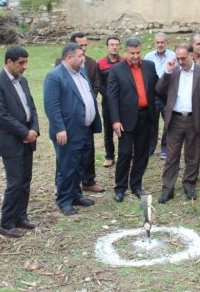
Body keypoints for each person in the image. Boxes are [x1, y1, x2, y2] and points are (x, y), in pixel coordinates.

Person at [0, 46, 40, 238]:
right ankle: (7, 223)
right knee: (15, 182)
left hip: (27, 138)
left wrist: (34, 128)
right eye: (21, 63)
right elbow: (1, 115)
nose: (24, 66)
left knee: (25, 180)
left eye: (26, 62)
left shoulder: (22, 81)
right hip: (11, 141)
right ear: (9, 62)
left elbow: (31, 107)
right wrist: (24, 132)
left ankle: (20, 216)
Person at [44, 43, 102, 216]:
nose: (83, 57)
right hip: (67, 131)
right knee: (67, 166)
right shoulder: (55, 76)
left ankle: (76, 195)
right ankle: (64, 200)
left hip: (84, 128)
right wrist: (59, 128)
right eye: (80, 55)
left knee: (80, 164)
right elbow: (51, 105)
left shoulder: (82, 72)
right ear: (69, 58)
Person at [155, 44, 200, 203]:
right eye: (178, 58)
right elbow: (159, 89)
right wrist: (167, 72)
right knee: (171, 157)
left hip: (195, 120)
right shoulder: (172, 71)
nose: (180, 61)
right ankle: (168, 189)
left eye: (183, 58)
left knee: (193, 156)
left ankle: (189, 185)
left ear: (191, 56)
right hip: (175, 120)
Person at [107, 38, 158, 202]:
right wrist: (115, 120)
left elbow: (156, 88)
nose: (135, 56)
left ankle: (136, 185)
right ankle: (120, 188)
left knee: (142, 153)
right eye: (132, 53)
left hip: (146, 116)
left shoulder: (149, 66)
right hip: (125, 119)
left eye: (138, 52)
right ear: (125, 52)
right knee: (125, 153)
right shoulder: (116, 70)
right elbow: (112, 97)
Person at [54, 32, 104, 193]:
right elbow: (54, 103)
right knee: (68, 162)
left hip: (86, 123)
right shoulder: (57, 72)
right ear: (70, 55)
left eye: (85, 46)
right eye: (80, 49)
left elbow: (93, 87)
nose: (84, 52)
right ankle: (64, 195)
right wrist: (60, 127)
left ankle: (81, 189)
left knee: (84, 158)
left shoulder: (86, 67)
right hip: (70, 125)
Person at [144, 32, 176, 159]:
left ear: (167, 43)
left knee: (169, 122)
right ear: (155, 43)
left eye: (162, 42)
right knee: (152, 122)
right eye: (158, 42)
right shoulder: (148, 57)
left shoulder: (173, 56)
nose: (160, 44)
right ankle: (150, 148)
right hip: (152, 95)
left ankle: (165, 149)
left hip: (168, 94)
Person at [97, 36, 125, 168]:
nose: (114, 47)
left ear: (120, 46)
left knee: (124, 131)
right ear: (107, 47)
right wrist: (110, 96)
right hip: (108, 103)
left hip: (123, 103)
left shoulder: (125, 62)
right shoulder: (101, 64)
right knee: (108, 130)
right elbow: (99, 84)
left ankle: (125, 156)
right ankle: (109, 157)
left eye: (117, 44)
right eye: (112, 44)